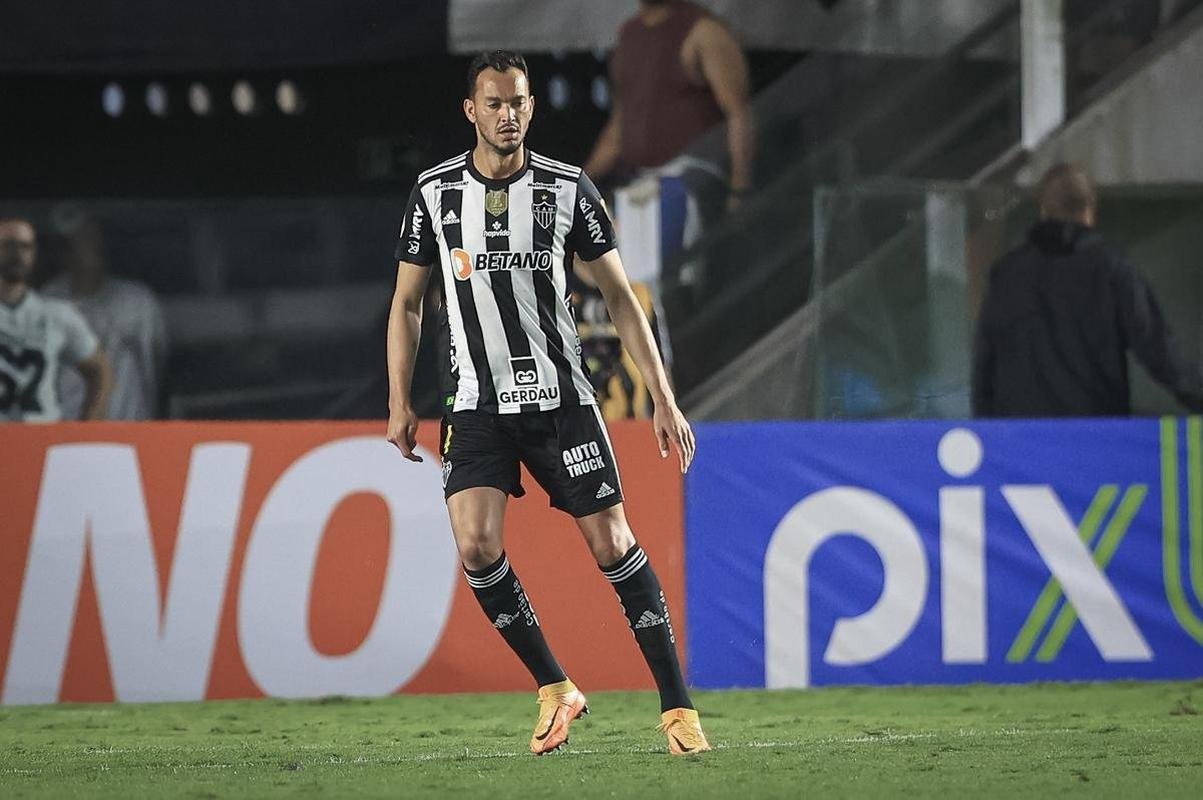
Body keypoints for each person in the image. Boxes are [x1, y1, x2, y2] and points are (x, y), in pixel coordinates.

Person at [385, 51, 709, 756]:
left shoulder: (566, 188)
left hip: (559, 399)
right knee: (474, 545)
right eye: (495, 103)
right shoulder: (435, 192)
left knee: (612, 543)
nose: (509, 115)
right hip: (473, 403)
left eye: (520, 103)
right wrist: (399, 401)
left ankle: (677, 708)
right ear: (471, 111)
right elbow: (407, 303)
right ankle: (555, 686)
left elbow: (621, 300)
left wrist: (663, 397)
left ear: (531, 107)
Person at [972, 164, 1203, 417]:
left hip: (1024, 440)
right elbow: (1159, 353)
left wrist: (987, 431)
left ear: (1043, 210)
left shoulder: (1006, 275)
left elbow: (985, 364)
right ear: (1090, 210)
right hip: (1095, 437)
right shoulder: (1112, 271)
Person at [585, 0, 754, 210]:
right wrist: (579, 181)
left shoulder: (704, 31)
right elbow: (619, 127)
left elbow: (738, 113)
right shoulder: (629, 34)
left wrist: (740, 190)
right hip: (637, 185)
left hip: (693, 184)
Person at [42, 208, 168, 420]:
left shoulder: (138, 302)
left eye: (94, 236)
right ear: (64, 252)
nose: (92, 245)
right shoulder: (46, 306)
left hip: (131, 436)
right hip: (70, 439)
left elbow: (157, 369)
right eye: (81, 240)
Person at [0, 217, 112, 422]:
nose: (17, 254)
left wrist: (88, 428)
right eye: (8, 245)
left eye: (25, 247)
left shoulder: (56, 314)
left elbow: (99, 370)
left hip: (42, 436)